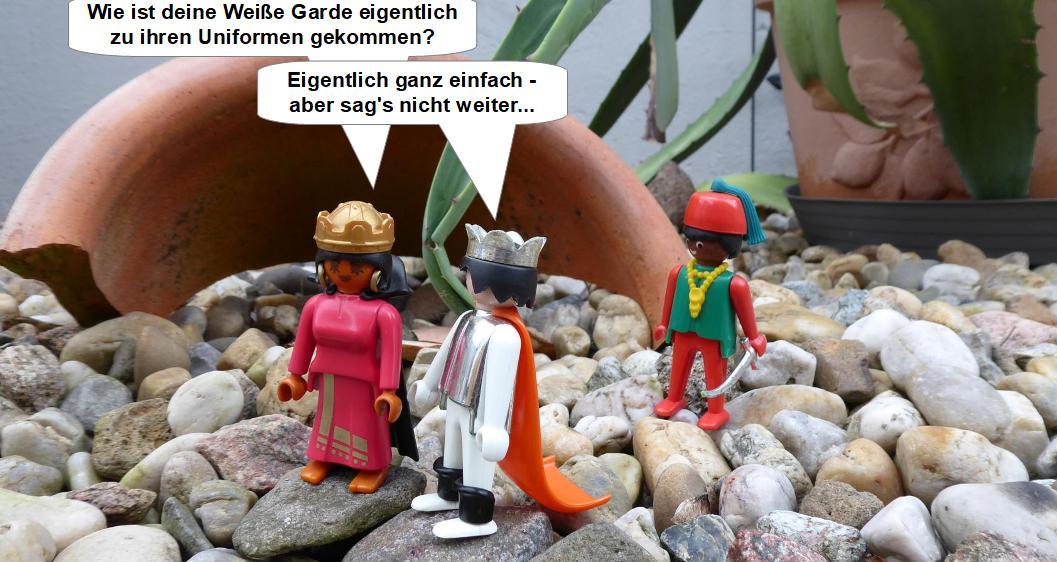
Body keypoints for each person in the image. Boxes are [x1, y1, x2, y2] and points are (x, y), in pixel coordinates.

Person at [410, 224, 609, 538]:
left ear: (500, 282)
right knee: (454, 449)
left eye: (473, 274)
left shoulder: (505, 335)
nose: (468, 279)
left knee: (475, 457)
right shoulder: (466, 319)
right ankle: (449, 494)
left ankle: (476, 516)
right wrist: (429, 386)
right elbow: (445, 353)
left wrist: (493, 426)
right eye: (469, 272)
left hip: (480, 412)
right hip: (455, 400)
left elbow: (500, 383)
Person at [277, 201, 417, 493]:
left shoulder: (384, 313)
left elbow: (391, 355)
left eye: (356, 267)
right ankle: (324, 457)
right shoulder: (316, 305)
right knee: (327, 418)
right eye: (334, 265)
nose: (343, 272)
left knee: (365, 423)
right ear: (322, 266)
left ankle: (372, 465)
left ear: (378, 270)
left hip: (365, 382)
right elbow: (304, 342)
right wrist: (295, 375)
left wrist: (389, 391)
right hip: (329, 377)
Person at [653, 180, 769, 430]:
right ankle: (674, 397)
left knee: (714, 371)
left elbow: (745, 313)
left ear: (730, 246)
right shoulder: (679, 273)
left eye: (708, 240)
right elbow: (670, 299)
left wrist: (754, 337)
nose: (698, 245)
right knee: (678, 364)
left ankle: (716, 409)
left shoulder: (734, 284)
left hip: (713, 336)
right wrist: (663, 324)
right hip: (683, 329)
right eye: (693, 238)